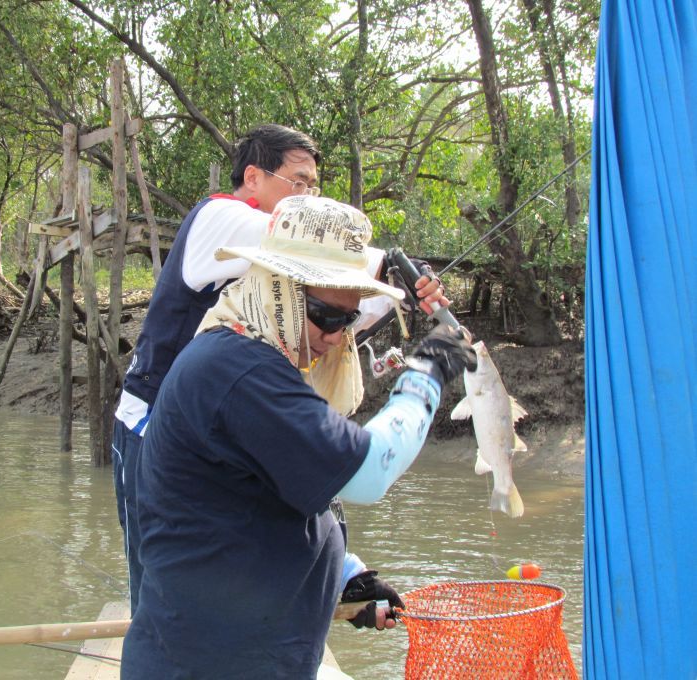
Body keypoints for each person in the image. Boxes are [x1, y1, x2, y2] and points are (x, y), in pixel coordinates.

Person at [120, 195, 476, 679]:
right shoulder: (241, 372)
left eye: (348, 320)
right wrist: (426, 374)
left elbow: (259, 504)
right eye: (328, 317)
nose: (337, 336)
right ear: (278, 290)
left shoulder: (249, 359)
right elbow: (370, 473)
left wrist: (345, 575)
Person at [111, 124, 446, 612]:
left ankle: (337, 574)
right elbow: (308, 247)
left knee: (271, 516)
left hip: (232, 426)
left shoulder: (287, 281)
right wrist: (392, 265)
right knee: (166, 580)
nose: (309, 197)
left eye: (315, 187)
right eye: (299, 183)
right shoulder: (219, 219)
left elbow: (353, 300)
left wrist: (407, 290)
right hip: (151, 423)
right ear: (253, 177)